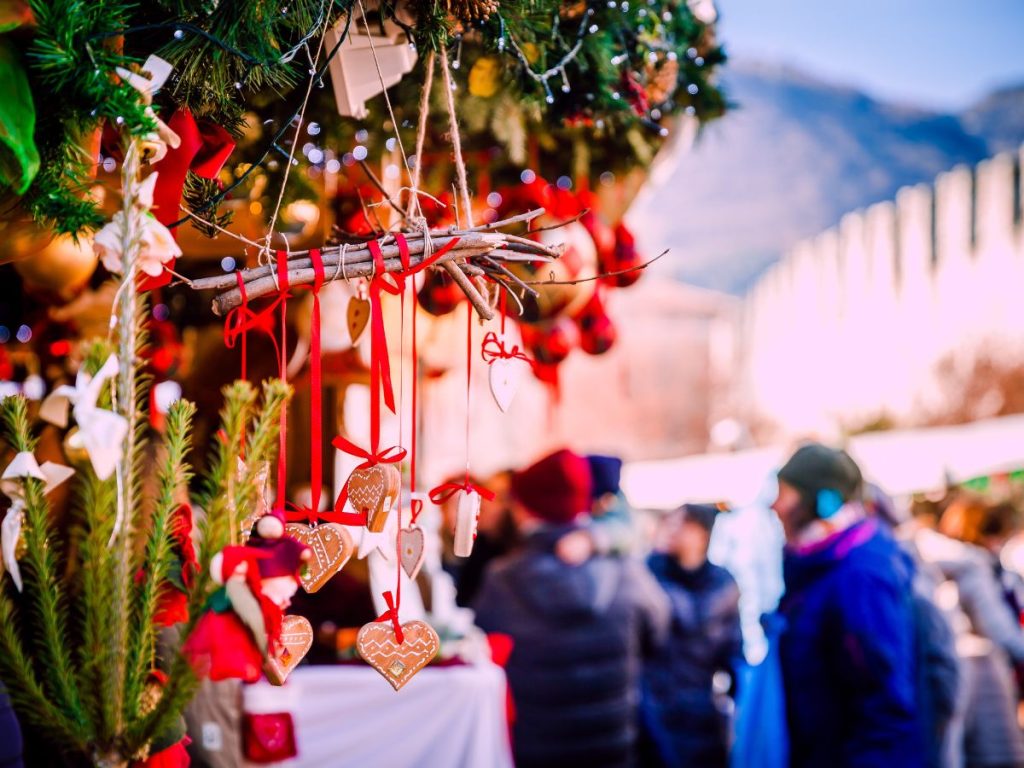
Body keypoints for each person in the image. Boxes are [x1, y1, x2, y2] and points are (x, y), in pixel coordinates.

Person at [473, 448, 670, 768]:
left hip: (535, 748)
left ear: (525, 510)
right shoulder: (626, 571)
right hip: (612, 747)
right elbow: (659, 633)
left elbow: (483, 650)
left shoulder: (503, 580)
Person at [772, 442, 923, 768]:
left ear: (822, 503)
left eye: (785, 494)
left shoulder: (859, 577)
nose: (776, 506)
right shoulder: (816, 566)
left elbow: (885, 708)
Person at [641, 503, 743, 768]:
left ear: (702, 534)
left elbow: (733, 650)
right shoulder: (647, 575)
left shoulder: (723, 585)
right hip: (654, 713)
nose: (673, 531)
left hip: (702, 714)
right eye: (670, 523)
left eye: (682, 524)